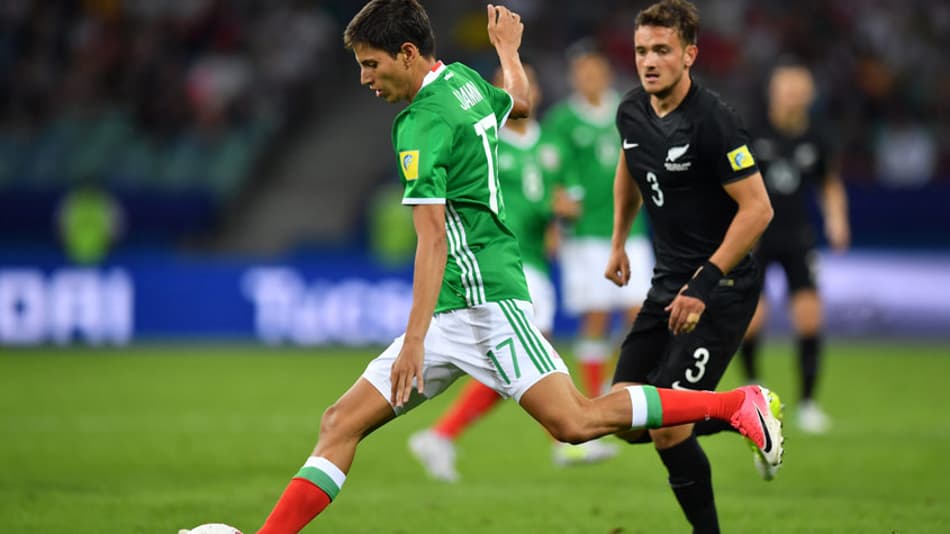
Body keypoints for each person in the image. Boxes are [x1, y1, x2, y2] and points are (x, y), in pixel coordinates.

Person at [254, 2, 782, 532]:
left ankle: (737, 403)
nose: (365, 78)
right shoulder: (461, 81)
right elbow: (522, 103)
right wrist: (507, 49)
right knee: (339, 422)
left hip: (486, 303)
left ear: (408, 53)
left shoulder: (419, 124)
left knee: (576, 421)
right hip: (452, 309)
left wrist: (412, 340)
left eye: (371, 64)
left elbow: (433, 239)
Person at [605, 0, 779, 531]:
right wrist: (618, 240)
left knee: (666, 429)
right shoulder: (631, 110)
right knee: (624, 417)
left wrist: (704, 282)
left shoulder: (713, 122)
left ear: (690, 55)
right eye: (641, 50)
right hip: (666, 286)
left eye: (662, 50)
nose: (648, 61)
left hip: (721, 288)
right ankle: (742, 410)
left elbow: (759, 209)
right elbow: (629, 169)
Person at [407, 65, 614, 483]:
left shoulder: (551, 145)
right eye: (506, 85)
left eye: (528, 83)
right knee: (525, 358)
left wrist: (561, 217)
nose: (521, 91)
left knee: (517, 363)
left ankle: (442, 435)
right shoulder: (489, 142)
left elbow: (566, 197)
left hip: (536, 259)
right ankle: (563, 443)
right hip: (504, 261)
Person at [736, 60, 849, 433]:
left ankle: (808, 404)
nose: (792, 95)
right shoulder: (752, 131)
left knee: (810, 317)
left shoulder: (818, 135)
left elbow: (828, 182)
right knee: (753, 321)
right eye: (786, 88)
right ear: (773, 91)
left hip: (798, 237)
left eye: (799, 89)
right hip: (757, 238)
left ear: (809, 95)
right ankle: (753, 396)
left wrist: (836, 219)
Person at [543, 43, 654, 404]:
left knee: (642, 313)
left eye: (594, 70)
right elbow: (549, 173)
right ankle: (595, 399)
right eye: (581, 71)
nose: (588, 78)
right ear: (574, 77)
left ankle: (619, 381)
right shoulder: (562, 120)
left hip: (630, 229)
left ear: (607, 74)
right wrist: (554, 217)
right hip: (586, 235)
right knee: (596, 316)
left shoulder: (628, 111)